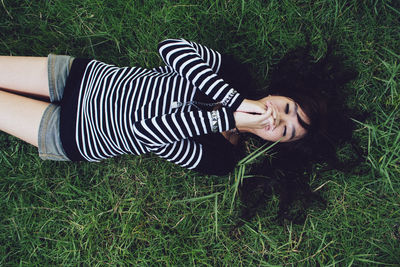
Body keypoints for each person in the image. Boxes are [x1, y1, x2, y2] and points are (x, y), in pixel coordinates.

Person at [0, 38, 313, 175]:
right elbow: (172, 49)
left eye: (285, 131)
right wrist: (235, 100)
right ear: (278, 95)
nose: (278, 118)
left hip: (72, 134)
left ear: (274, 142)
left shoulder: (220, 159)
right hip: (79, 78)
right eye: (287, 108)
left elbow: (146, 131)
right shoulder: (232, 75)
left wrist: (228, 118)